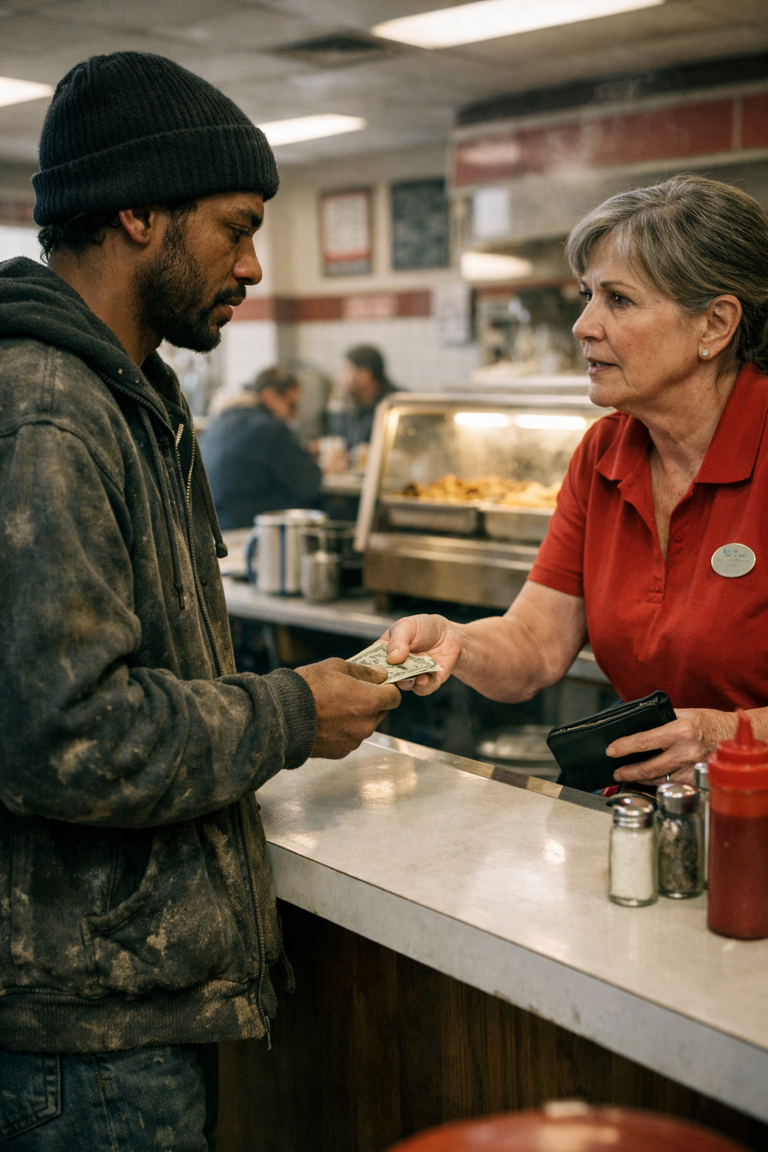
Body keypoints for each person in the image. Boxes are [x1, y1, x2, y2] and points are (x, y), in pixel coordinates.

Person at [0, 51, 400, 1150]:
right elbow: (67, 737)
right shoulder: (47, 410)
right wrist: (288, 711)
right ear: (137, 212)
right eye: (235, 226)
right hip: (81, 1040)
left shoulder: (132, 393)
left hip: (121, 1010)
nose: (256, 266)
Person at [380, 174, 768, 789]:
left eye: (618, 300)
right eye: (588, 295)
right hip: (655, 818)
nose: (583, 325)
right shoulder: (604, 452)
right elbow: (535, 643)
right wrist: (452, 641)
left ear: (715, 326)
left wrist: (726, 734)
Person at [200, 365, 322, 529]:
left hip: (209, 522)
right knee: (325, 509)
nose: (293, 415)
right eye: (291, 405)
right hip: (244, 523)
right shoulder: (269, 428)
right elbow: (309, 483)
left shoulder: (224, 419)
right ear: (270, 396)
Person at [338, 343, 398, 449]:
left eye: (347, 370)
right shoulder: (355, 405)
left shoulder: (395, 407)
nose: (340, 377)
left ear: (365, 375)